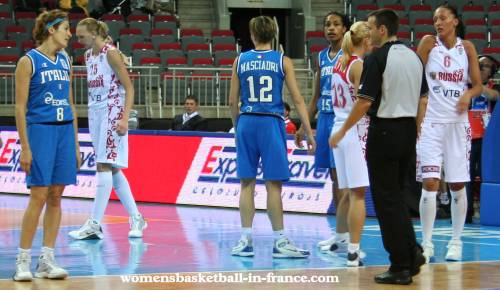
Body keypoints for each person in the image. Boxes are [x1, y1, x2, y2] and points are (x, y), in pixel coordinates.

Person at [330, 8, 427, 284]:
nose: (368, 33)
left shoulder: (376, 58)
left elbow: (364, 101)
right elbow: (422, 99)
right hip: (408, 130)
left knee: (386, 201)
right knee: (396, 197)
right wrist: (417, 131)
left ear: (382, 30)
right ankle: (412, 252)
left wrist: (343, 130)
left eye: (371, 28)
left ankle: (399, 265)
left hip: (385, 130)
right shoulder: (413, 56)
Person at [228, 15, 316, 258]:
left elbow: (232, 101)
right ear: (274, 33)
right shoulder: (282, 60)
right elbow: (297, 99)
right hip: (271, 123)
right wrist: (308, 131)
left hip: (246, 121)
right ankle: (279, 241)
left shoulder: (240, 60)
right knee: (273, 186)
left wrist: (238, 127)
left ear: (252, 34)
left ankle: (245, 240)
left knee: (246, 183)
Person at [13, 9, 79, 281]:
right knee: (38, 195)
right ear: (51, 30)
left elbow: (71, 104)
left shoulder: (65, 61)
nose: (70, 33)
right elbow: (19, 107)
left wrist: (75, 143)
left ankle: (47, 260)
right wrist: (25, 146)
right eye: (65, 28)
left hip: (64, 132)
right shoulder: (28, 61)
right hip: (40, 131)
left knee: (56, 195)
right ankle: (22, 260)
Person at [69, 17, 147, 240]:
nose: (78, 39)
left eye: (82, 35)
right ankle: (137, 218)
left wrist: (124, 118)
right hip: (95, 112)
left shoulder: (110, 53)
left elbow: (129, 87)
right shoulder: (87, 56)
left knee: (103, 164)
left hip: (112, 110)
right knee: (111, 168)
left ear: (94, 34)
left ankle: (94, 223)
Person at [416, 4, 482, 263]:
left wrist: (467, 94)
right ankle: (427, 243)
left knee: (456, 184)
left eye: (443, 18)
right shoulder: (427, 44)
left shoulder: (466, 48)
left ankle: (456, 241)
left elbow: (477, 86)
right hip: (431, 122)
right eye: (435, 19)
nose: (438, 23)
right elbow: (412, 73)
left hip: (458, 124)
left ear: (455, 21)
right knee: (430, 183)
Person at [295, 11, 351, 252]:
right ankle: (340, 233)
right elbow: (316, 96)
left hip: (343, 120)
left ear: (346, 29)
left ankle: (346, 233)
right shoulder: (320, 56)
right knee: (333, 177)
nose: (331, 28)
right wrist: (303, 125)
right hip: (326, 119)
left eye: (336, 24)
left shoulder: (350, 55)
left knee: (342, 179)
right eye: (327, 24)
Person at [328, 21, 372, 267]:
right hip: (352, 130)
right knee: (358, 194)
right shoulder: (357, 64)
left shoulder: (339, 62)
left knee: (346, 192)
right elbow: (362, 102)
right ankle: (353, 251)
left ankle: (339, 238)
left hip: (338, 127)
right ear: (366, 41)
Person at [467, 54, 499, 222]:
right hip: (468, 137)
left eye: (484, 66)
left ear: (492, 71)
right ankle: (467, 212)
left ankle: (487, 210)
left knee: (485, 175)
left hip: (488, 141)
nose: (479, 69)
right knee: (467, 176)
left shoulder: (495, 87)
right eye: (477, 66)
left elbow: (494, 96)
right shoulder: (466, 86)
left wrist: (478, 87)